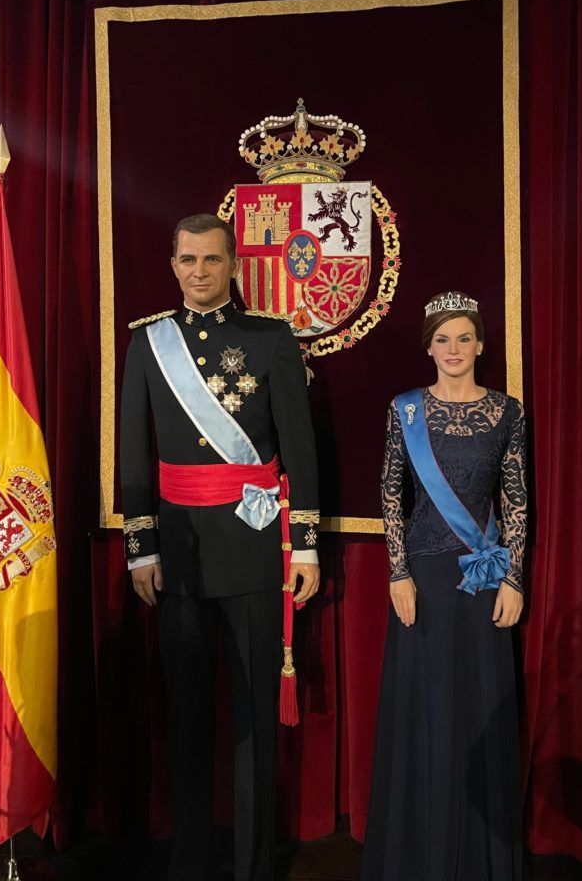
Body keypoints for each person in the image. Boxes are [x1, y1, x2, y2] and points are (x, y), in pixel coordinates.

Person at [120, 213, 320, 881]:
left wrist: (307, 548)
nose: (199, 273)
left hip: (256, 549)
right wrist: (140, 548)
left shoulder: (271, 339)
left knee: (257, 725)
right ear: (172, 264)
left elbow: (299, 446)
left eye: (211, 260)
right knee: (186, 719)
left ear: (233, 264)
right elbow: (134, 457)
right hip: (177, 555)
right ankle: (189, 863)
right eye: (187, 260)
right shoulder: (149, 343)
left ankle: (255, 868)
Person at [361, 290, 526, 881]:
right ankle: (419, 855)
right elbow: (390, 493)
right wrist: (398, 573)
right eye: (441, 338)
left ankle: (479, 860)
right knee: (425, 711)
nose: (452, 349)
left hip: (482, 579)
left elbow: (515, 498)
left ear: (480, 344)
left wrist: (513, 576)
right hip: (425, 581)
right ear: (428, 347)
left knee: (478, 709)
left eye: (463, 337)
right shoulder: (405, 409)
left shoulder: (507, 412)